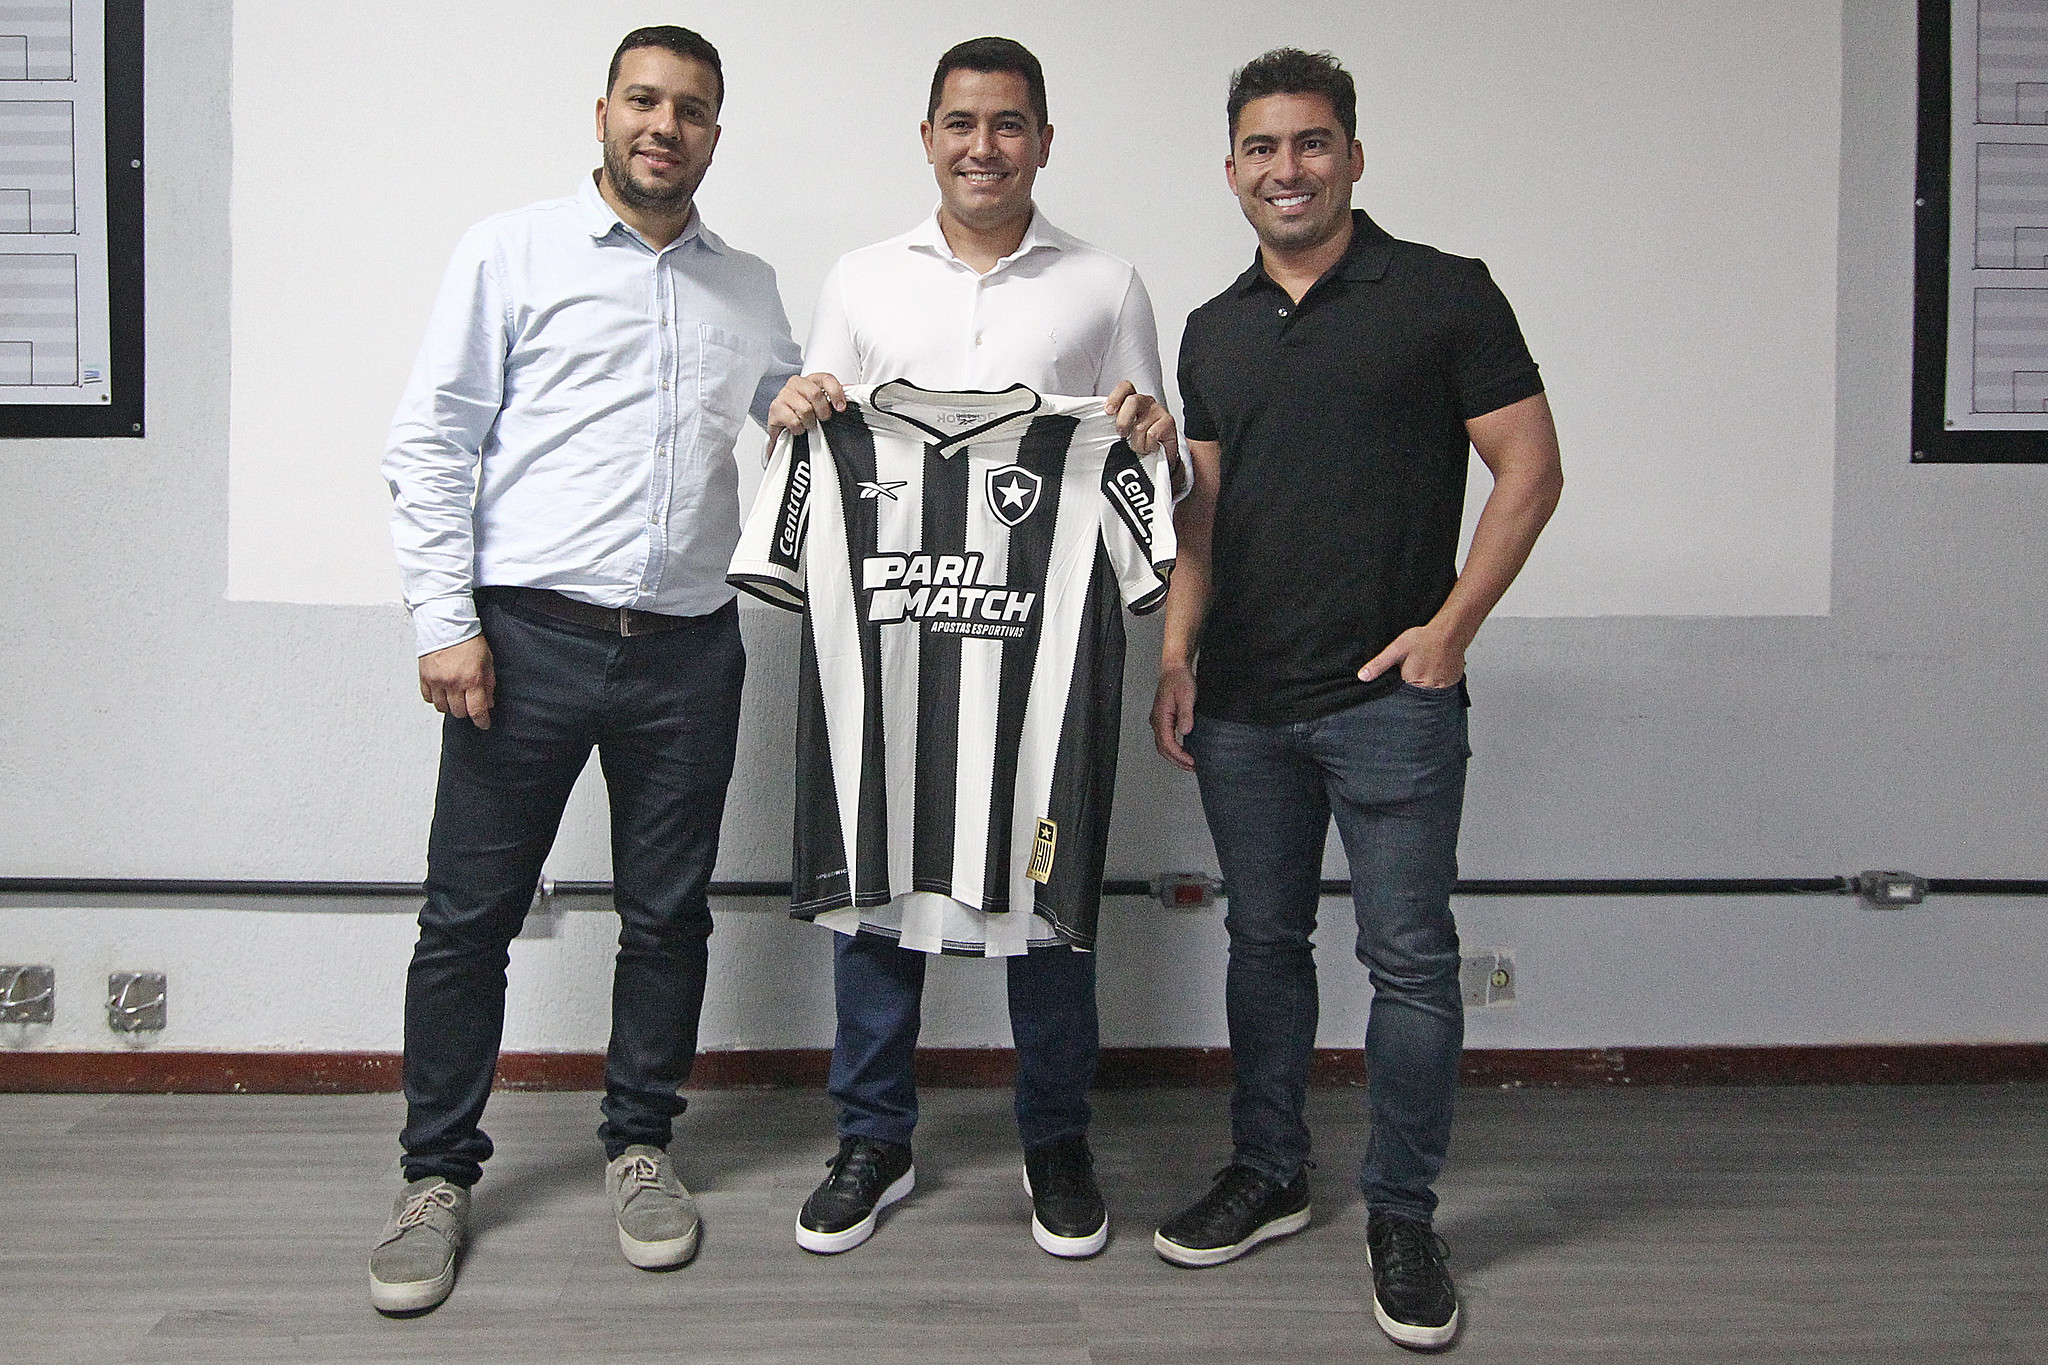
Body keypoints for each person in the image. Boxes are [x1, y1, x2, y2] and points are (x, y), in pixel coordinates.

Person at [370, 26, 800, 1313]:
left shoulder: (749, 284)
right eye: (644, 101)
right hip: (526, 644)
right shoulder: (511, 250)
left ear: (716, 134)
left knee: (668, 918)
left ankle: (640, 1144)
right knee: (469, 920)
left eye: (692, 110)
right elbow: (432, 440)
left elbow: (791, 418)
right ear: (604, 111)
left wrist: (809, 399)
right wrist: (445, 623)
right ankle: (436, 1175)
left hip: (688, 651)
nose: (664, 125)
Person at [1147, 48, 1563, 1350]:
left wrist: (1449, 631)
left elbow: (1533, 468)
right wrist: (1176, 654)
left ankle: (1402, 1213)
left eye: (1313, 143)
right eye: (1264, 149)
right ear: (1232, 170)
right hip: (1247, 711)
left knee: (1410, 962)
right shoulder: (1213, 329)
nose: (1289, 168)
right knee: (1262, 948)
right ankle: (1270, 1174)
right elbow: (1200, 517)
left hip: (1391, 707)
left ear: (1353, 156)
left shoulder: (1443, 294)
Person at [765, 36, 1177, 1261]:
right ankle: (871, 1141)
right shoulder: (860, 279)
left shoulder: (1104, 287)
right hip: (889, 657)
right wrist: (792, 414)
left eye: (1007, 124)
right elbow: (815, 439)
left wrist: (1155, 438)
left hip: (1039, 672)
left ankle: (1055, 1141)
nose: (981, 145)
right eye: (960, 123)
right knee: (876, 898)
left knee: (1046, 907)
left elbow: (1156, 472)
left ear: (1043, 140)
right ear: (928, 136)